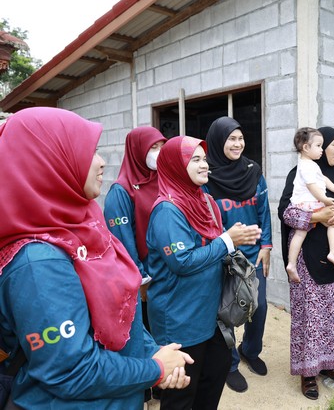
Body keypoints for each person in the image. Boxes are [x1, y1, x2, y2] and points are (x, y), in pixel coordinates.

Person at [0, 107, 192, 409]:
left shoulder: (83, 223)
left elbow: (122, 310)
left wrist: (155, 353)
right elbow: (72, 370)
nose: (102, 163)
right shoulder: (38, 263)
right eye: (89, 152)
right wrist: (154, 369)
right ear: (48, 162)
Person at [146, 136, 262, 409]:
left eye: (204, 159)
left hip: (214, 316)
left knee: (213, 382)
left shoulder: (206, 201)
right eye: (194, 159)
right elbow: (182, 262)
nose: (204, 165)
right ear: (175, 165)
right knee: (181, 397)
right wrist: (228, 241)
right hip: (180, 320)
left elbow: (218, 247)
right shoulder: (167, 210)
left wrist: (235, 242)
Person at [278, 127, 334, 401]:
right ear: (318, 147)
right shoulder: (301, 174)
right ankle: (308, 374)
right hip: (309, 261)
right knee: (312, 319)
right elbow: (287, 213)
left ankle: (330, 364)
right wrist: (318, 216)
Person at [205, 117, 272, 393]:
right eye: (231, 138)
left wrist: (266, 246)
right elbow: (206, 220)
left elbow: (264, 211)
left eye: (240, 138)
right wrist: (221, 250)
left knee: (260, 307)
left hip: (254, 256)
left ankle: (250, 350)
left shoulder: (253, 171)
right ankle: (230, 364)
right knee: (227, 313)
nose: (237, 143)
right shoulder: (206, 176)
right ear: (218, 141)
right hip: (224, 257)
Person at [103, 126, 167, 333]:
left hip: (167, 269)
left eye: (162, 146)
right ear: (137, 150)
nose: (159, 151)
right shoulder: (121, 191)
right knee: (149, 332)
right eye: (153, 147)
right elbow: (122, 241)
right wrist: (140, 278)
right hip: (145, 277)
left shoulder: (164, 181)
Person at [285, 127, 334, 282]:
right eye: (333, 145)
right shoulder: (305, 166)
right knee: (302, 233)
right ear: (306, 148)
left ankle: (333, 253)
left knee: (332, 222)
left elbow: (322, 179)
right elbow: (312, 186)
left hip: (314, 204)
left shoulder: (315, 166)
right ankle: (292, 263)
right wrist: (325, 201)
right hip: (307, 205)